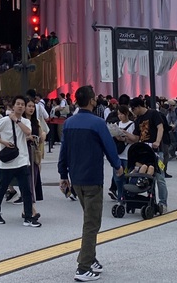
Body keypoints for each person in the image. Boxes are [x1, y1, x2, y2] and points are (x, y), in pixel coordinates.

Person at [58, 85, 123, 282]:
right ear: (92, 100)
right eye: (94, 98)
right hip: (93, 179)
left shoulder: (69, 123)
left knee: (89, 219)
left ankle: (91, 258)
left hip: (76, 180)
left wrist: (63, 175)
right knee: (92, 223)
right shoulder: (97, 123)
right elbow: (109, 147)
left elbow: (64, 151)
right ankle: (83, 267)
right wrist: (118, 166)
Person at [0, 95, 39, 227]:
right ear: (13, 106)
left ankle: (28, 217)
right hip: (7, 162)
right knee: (2, 188)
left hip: (22, 160)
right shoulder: (4, 120)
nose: (21, 106)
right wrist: (2, 141)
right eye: (18, 104)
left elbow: (28, 132)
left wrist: (16, 120)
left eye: (23, 104)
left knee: (26, 190)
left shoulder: (24, 121)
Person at [130, 97, 169, 211]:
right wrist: (125, 134)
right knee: (147, 177)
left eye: (133, 109)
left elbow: (160, 127)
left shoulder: (153, 113)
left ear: (138, 107)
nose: (133, 112)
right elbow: (137, 137)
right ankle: (151, 200)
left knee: (159, 177)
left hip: (157, 151)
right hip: (144, 152)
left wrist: (157, 141)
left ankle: (163, 202)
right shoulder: (138, 120)